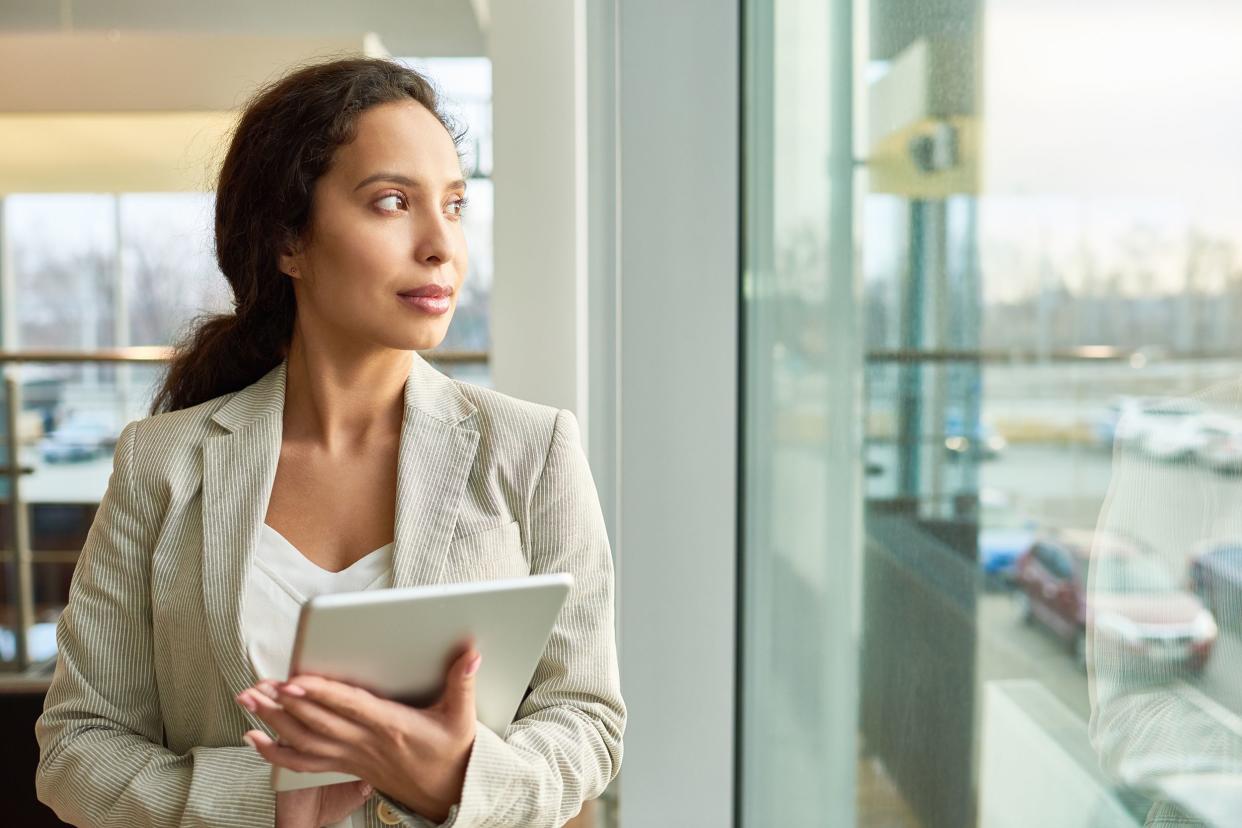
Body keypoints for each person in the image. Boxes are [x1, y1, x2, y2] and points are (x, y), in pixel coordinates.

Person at [35, 57, 625, 828]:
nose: (441, 244)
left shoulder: (533, 449)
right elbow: (78, 751)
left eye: (453, 204)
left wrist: (453, 778)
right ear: (289, 240)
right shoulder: (162, 464)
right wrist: (269, 800)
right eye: (392, 202)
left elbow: (587, 721)